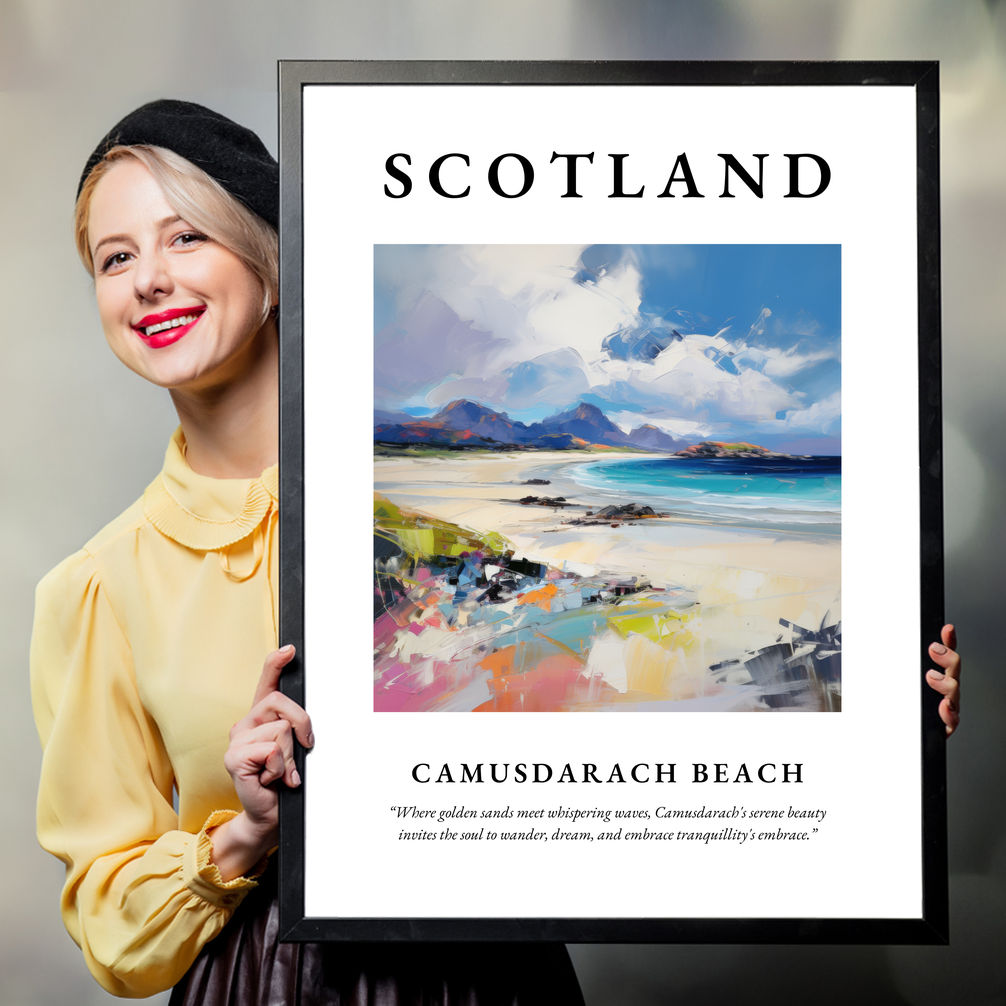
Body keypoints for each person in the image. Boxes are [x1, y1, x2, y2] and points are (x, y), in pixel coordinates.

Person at [30, 100, 586, 1004]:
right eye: (115, 258)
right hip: (263, 981)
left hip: (491, 972)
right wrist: (246, 833)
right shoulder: (97, 586)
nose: (149, 281)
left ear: (272, 262)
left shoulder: (441, 513)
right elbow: (110, 924)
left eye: (186, 237)